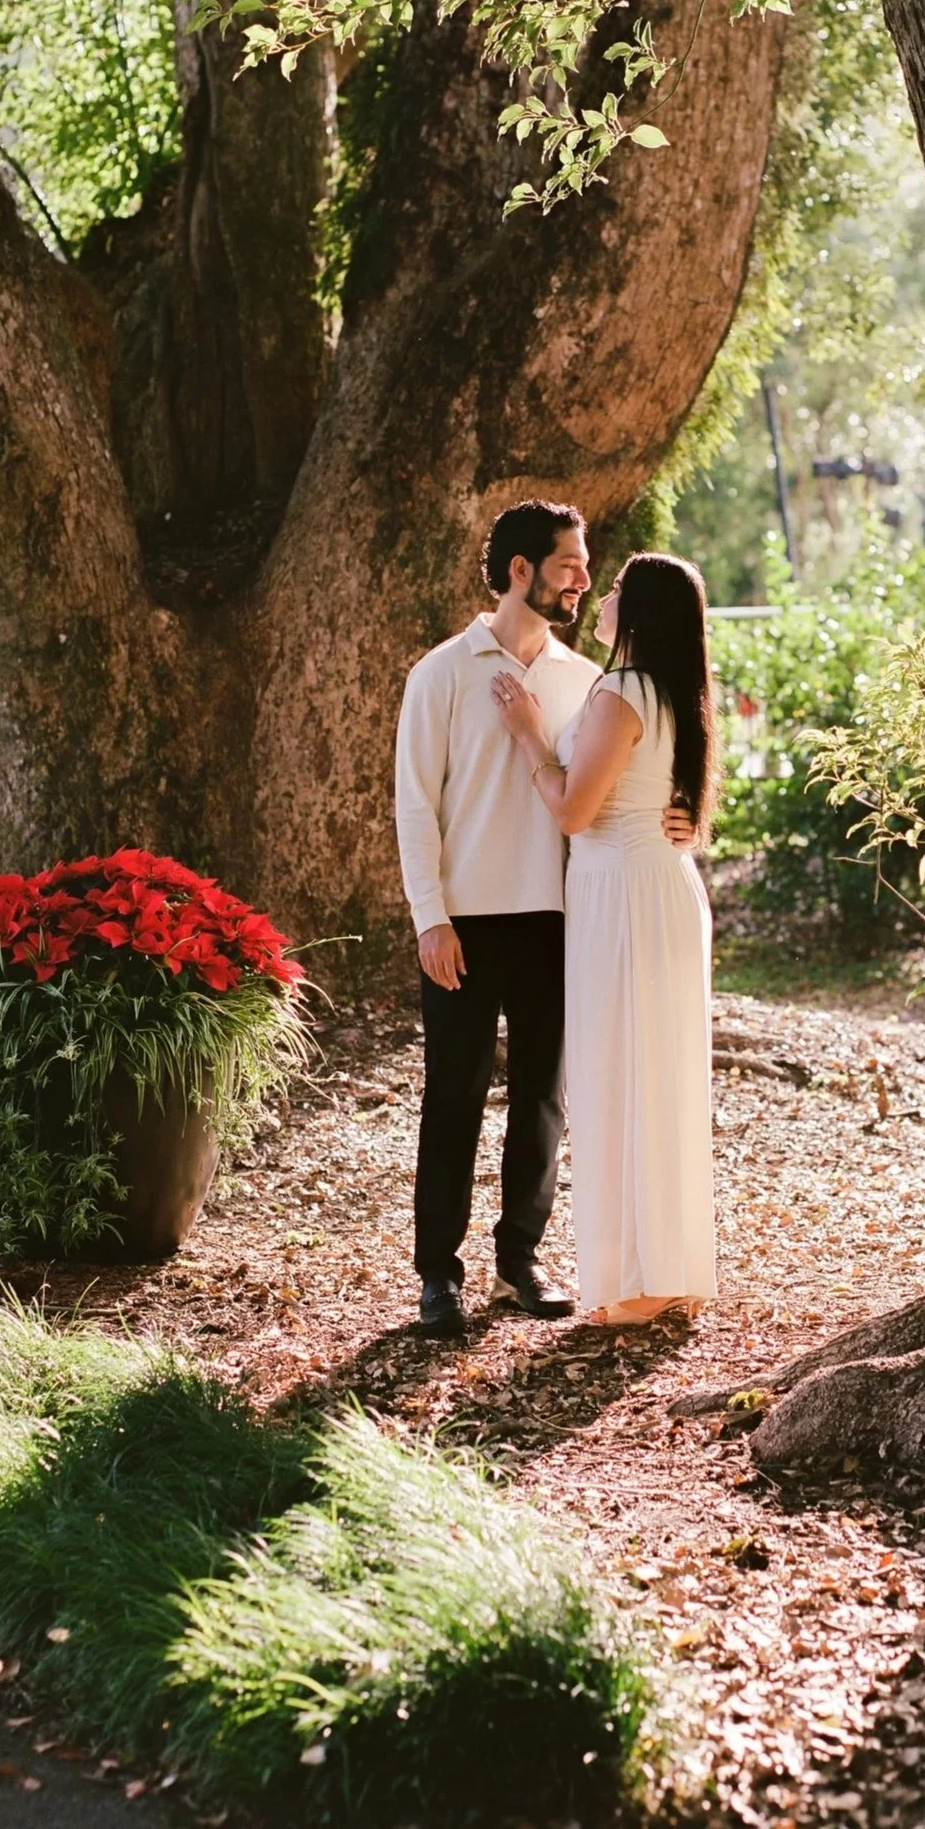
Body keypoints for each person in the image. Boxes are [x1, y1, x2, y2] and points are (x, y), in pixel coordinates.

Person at [393, 502, 692, 1335]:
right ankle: (437, 1274)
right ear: (520, 570)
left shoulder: (580, 682)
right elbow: (415, 806)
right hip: (462, 921)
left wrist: (681, 818)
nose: (584, 579)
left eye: (586, 566)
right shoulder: (441, 674)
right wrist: (430, 917)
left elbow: (621, 776)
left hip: (558, 919)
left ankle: (519, 1258)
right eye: (569, 563)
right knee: (451, 1096)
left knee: (541, 1100)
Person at [492, 551, 718, 1324]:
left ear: (642, 611)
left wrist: (526, 732)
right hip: (657, 888)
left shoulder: (621, 691)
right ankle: (666, 1267)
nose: (604, 596)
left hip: (621, 895)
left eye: (618, 588)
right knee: (658, 1077)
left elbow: (570, 811)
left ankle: (638, 1282)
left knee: (622, 1076)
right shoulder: (675, 693)